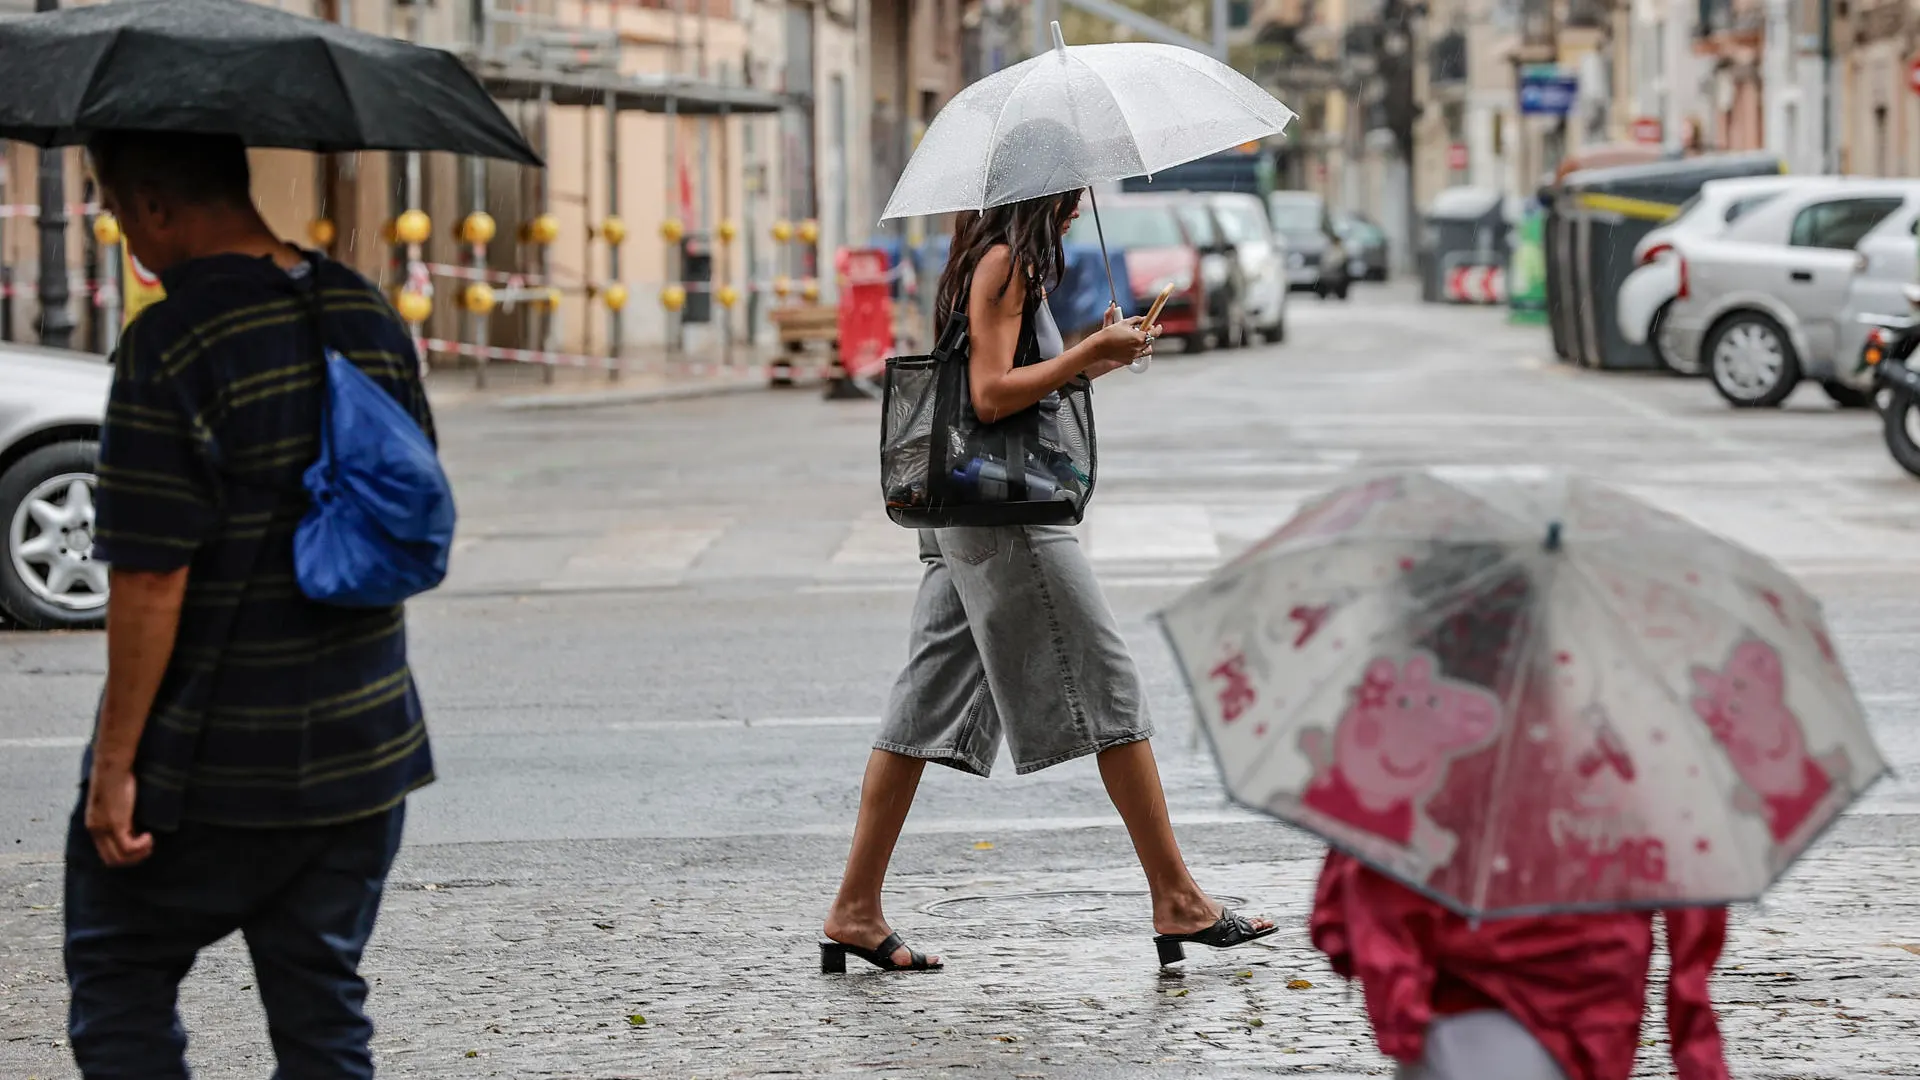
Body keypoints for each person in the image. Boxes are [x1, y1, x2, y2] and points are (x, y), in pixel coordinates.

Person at [821, 188, 1275, 972]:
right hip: (1006, 520)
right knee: (1109, 685)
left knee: (924, 702)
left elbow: (1004, 384)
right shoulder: (1005, 265)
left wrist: (1087, 360)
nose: (1077, 210)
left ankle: (855, 909)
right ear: (1041, 193)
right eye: (1071, 194)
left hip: (963, 512)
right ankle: (1177, 898)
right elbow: (991, 396)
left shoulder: (989, 259)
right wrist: (1087, 358)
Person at [65, 130, 436, 1079]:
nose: (120, 230)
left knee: (120, 978)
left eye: (113, 208)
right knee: (322, 1015)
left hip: (211, 763)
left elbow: (149, 577)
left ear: (155, 205)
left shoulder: (172, 338)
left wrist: (116, 767)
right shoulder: (364, 310)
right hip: (364, 750)